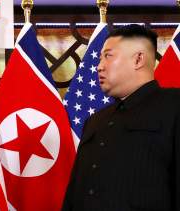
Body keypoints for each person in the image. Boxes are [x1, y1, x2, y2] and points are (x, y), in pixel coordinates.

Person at [62, 24, 180, 211]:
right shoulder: (95, 121)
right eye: (100, 58)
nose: (99, 67)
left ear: (138, 59)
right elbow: (75, 193)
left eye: (108, 56)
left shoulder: (174, 106)